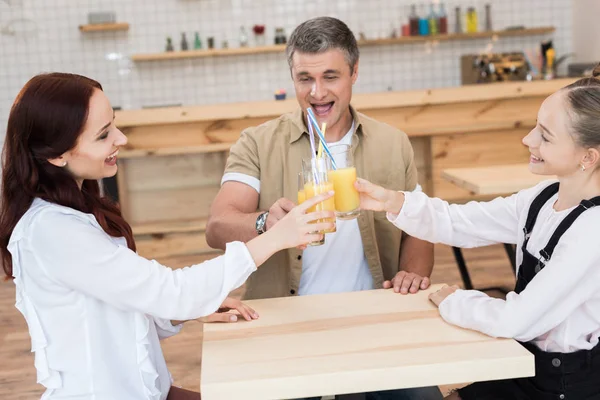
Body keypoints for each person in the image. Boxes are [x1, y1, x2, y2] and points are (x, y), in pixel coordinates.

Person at [0, 72, 335, 400]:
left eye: (113, 124)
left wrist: (188, 309)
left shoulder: (74, 214)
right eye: (103, 135)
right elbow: (172, 291)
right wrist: (274, 238)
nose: (121, 139)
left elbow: (121, 309)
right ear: (57, 155)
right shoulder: (52, 231)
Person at [206, 15, 441, 400]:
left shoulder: (392, 142)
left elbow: (418, 222)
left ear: (354, 72)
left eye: (330, 77)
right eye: (304, 79)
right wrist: (267, 222)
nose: (317, 92)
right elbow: (218, 227)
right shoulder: (257, 143)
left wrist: (412, 275)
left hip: (374, 317)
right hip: (284, 322)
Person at [355, 66, 600, 399]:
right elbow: (460, 222)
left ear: (588, 157)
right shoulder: (543, 197)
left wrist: (452, 299)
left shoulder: (591, 231)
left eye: (545, 134)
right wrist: (390, 200)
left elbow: (516, 319)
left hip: (567, 383)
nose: (527, 139)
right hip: (525, 360)